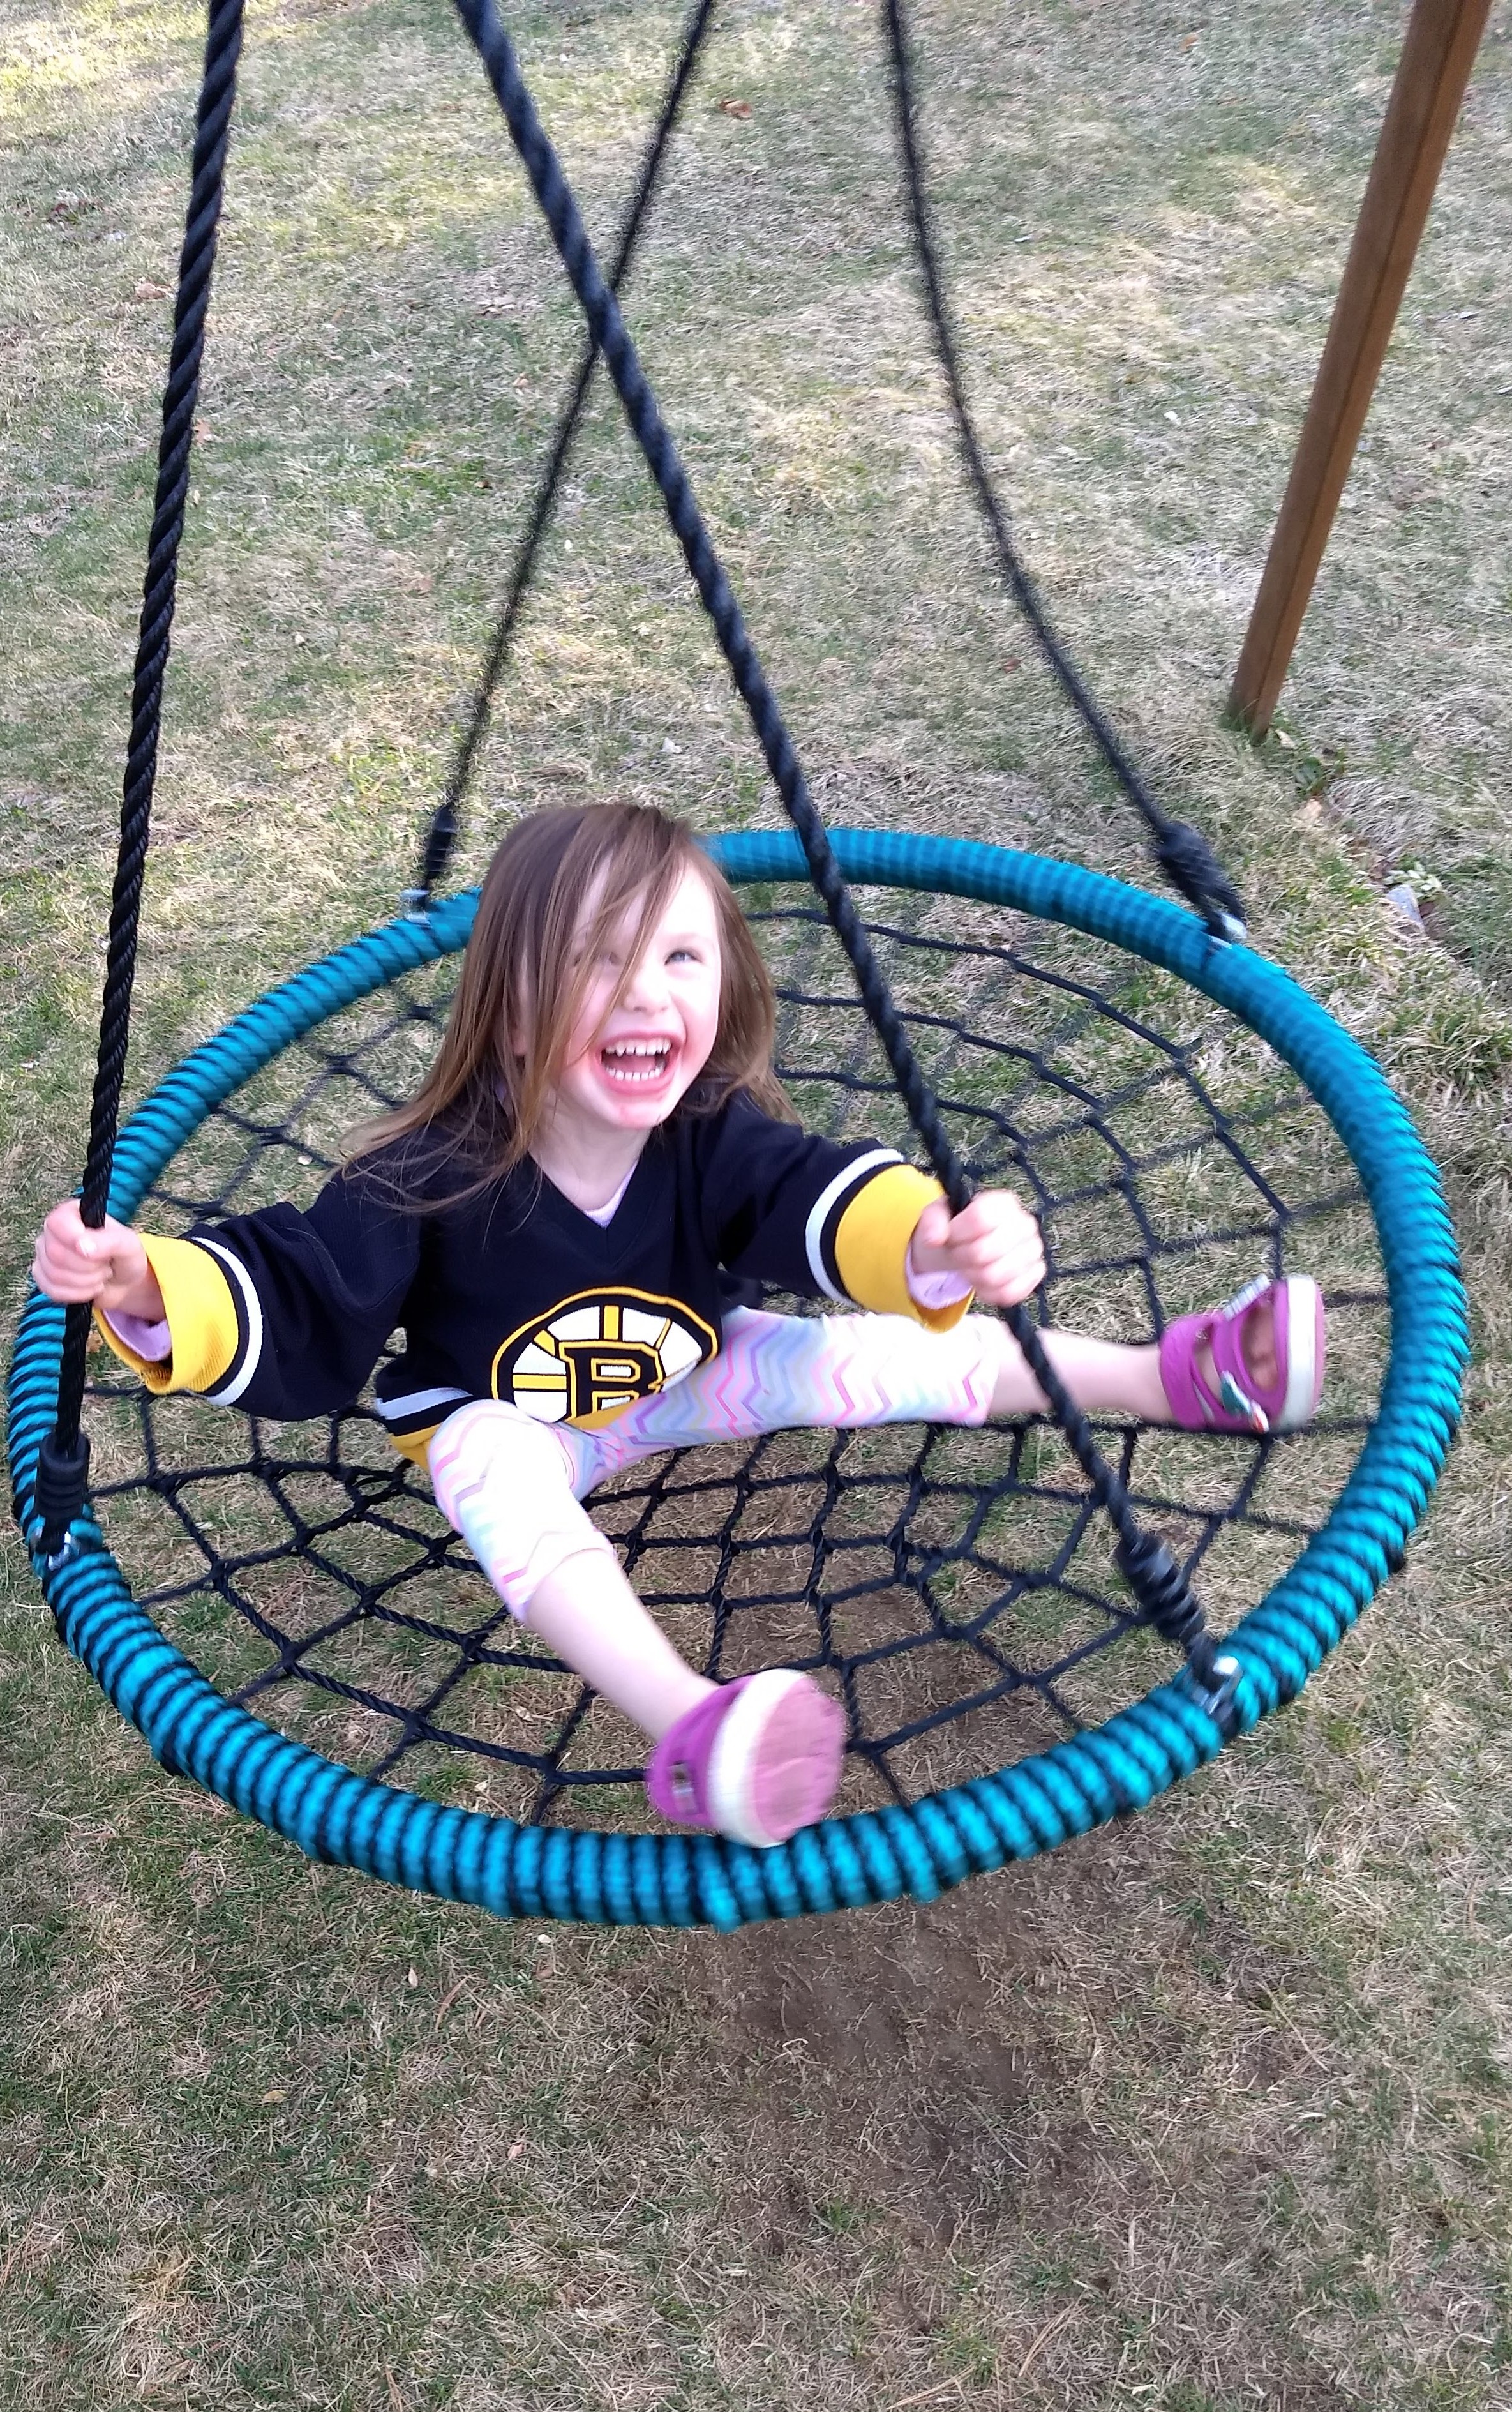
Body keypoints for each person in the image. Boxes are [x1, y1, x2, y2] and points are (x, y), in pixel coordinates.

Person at [33, 803, 1324, 1848]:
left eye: (678, 957)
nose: (643, 993)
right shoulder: (424, 1173)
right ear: (511, 1007)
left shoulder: (707, 1131)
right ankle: (691, 1723)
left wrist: (929, 1243)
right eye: (594, 959)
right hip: (509, 1415)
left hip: (690, 1366)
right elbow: (306, 1286)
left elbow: (810, 1193)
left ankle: (1173, 1373)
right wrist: (149, 1283)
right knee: (490, 1465)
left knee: (883, 1354)